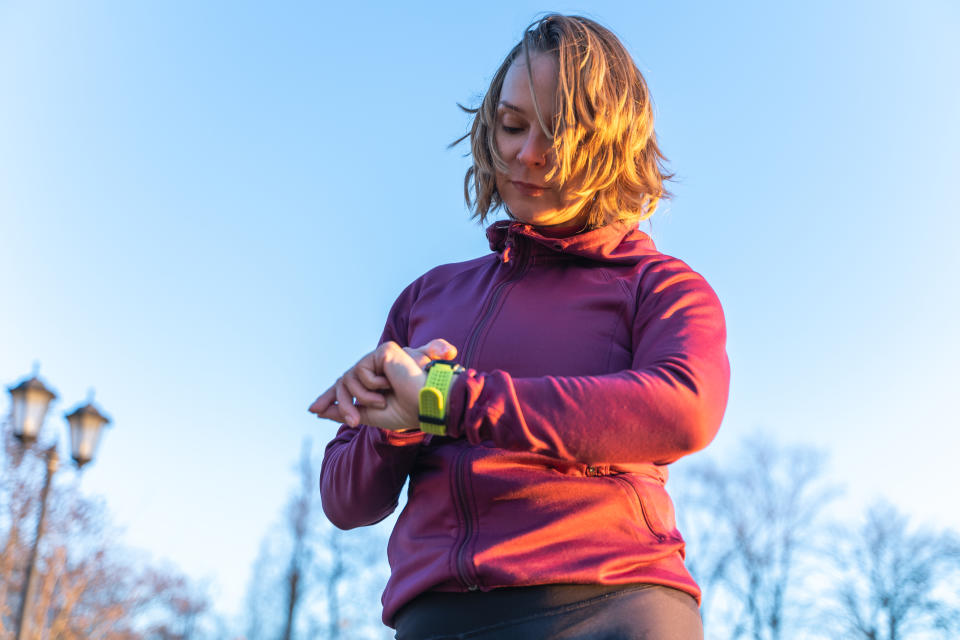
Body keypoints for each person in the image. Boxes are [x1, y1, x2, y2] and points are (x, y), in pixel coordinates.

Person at [310, 14, 729, 640]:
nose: (526, 154)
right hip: (435, 620)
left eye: (559, 132)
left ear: (613, 145)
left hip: (608, 609)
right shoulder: (427, 296)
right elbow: (346, 502)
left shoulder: (658, 285)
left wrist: (451, 400)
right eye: (512, 125)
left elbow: (681, 410)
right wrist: (396, 425)